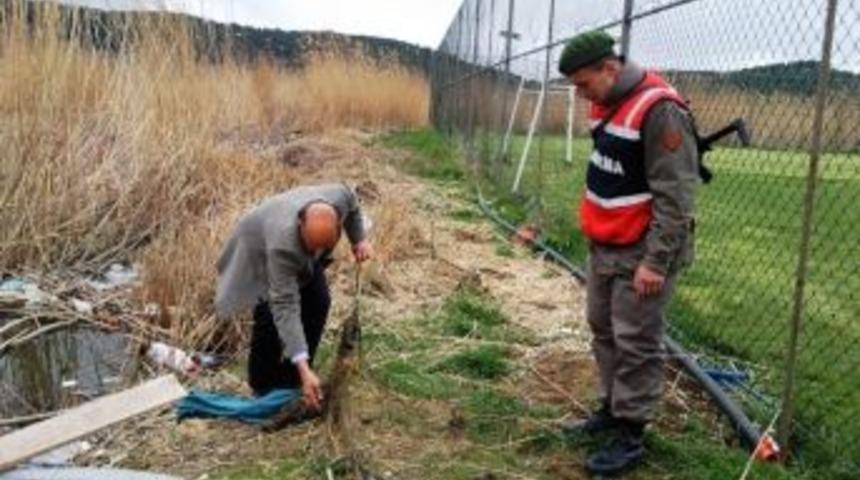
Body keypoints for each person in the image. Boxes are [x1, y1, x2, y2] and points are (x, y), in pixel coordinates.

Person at [557, 30, 699, 476]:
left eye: (584, 84)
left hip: (642, 251)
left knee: (636, 341)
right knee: (603, 328)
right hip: (606, 244)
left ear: (610, 68)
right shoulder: (608, 101)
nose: (581, 96)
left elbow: (676, 199)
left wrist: (655, 262)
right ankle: (612, 409)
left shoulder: (660, 111)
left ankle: (632, 433)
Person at [214, 183, 372, 413]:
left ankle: (294, 380)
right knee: (270, 312)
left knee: (319, 301)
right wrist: (304, 367)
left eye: (322, 248)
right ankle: (264, 386)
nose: (316, 253)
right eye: (312, 247)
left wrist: (358, 239)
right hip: (256, 247)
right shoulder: (283, 246)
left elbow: (354, 207)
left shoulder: (340, 197)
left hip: (295, 244)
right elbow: (285, 305)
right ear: (301, 225)